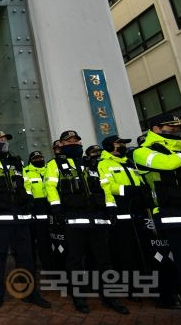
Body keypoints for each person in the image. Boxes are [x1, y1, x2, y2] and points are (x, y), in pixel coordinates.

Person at [46, 130, 129, 314]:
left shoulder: (92, 163)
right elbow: (50, 187)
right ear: (61, 144)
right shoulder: (55, 164)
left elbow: (105, 186)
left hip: (98, 220)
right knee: (75, 261)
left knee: (104, 260)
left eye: (76, 140)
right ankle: (80, 298)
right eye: (69, 141)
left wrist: (111, 207)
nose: (73, 143)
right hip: (73, 220)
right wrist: (57, 208)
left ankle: (110, 297)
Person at [0, 130, 50, 309]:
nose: (4, 141)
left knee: (26, 258)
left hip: (21, 217)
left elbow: (26, 184)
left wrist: (30, 199)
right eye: (0, 139)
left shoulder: (17, 161)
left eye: (6, 139)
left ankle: (30, 293)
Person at [132, 113, 181, 307]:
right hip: (172, 215)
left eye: (178, 127)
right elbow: (168, 164)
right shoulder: (143, 152)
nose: (176, 130)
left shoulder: (179, 150)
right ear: (156, 129)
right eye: (171, 127)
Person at [97, 135, 150, 301]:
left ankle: (146, 284)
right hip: (121, 211)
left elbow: (140, 181)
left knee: (142, 249)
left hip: (138, 212)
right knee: (125, 252)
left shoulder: (129, 162)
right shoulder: (104, 163)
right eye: (118, 143)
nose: (122, 146)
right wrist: (126, 190)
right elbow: (106, 186)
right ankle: (132, 288)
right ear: (109, 146)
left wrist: (142, 190)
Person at [24, 150, 54, 271]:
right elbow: (26, 188)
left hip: (51, 205)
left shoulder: (49, 169)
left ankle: (52, 264)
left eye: (40, 157)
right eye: (35, 159)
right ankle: (39, 265)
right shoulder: (26, 171)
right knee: (40, 240)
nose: (38, 160)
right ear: (30, 161)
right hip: (35, 207)